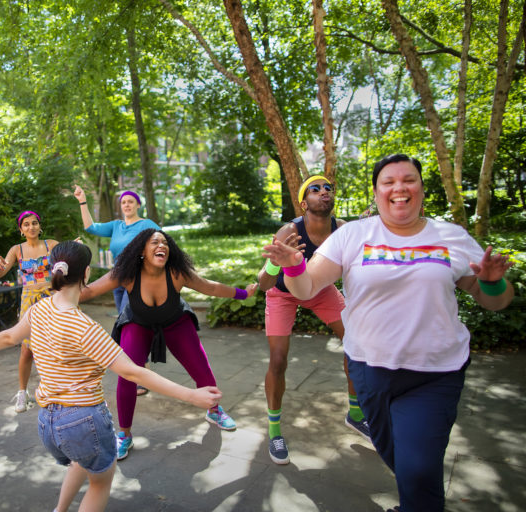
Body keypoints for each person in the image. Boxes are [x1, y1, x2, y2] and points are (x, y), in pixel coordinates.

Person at [263, 154, 514, 512]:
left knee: (418, 466)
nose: (399, 188)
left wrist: (492, 284)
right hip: (370, 368)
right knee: (401, 458)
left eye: (408, 179)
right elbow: (305, 287)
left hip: (435, 373)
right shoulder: (353, 235)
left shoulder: (451, 237)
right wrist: (291, 266)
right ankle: (415, 492)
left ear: (422, 189)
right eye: (389, 182)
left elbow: (497, 300)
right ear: (378, 192)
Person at [0, 241, 221, 512]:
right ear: (86, 275)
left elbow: (10, 337)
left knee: (83, 462)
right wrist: (191, 394)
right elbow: (132, 371)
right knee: (100, 483)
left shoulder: (38, 309)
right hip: (83, 421)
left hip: (48, 423)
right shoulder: (85, 329)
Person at [80, 228, 258, 460]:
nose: (161, 246)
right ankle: (124, 434)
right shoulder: (126, 273)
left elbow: (210, 287)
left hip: (176, 321)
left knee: (201, 369)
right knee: (127, 376)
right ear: (141, 250)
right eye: (154, 242)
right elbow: (90, 290)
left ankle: (214, 411)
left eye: (165, 243)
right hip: (138, 323)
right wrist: (59, 291)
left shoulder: (176, 273)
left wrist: (243, 294)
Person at [257, 175, 369, 465]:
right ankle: (274, 430)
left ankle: (356, 414)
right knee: (278, 360)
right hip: (283, 294)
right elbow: (264, 283)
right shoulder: (288, 231)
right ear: (304, 203)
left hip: (320, 290)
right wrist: (275, 262)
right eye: (316, 189)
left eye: (328, 188)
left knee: (358, 343)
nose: (324, 192)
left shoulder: (343, 230)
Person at [74, 185, 160, 396]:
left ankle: (139, 375)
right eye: (123, 202)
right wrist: (82, 201)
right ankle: (142, 372)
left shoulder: (147, 225)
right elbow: (90, 227)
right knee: (129, 326)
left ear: (138, 204)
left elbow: (162, 244)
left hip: (139, 281)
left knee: (127, 325)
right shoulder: (116, 226)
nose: (127, 205)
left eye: (130, 201)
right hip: (118, 281)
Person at [0, 210, 58, 413]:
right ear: (21, 230)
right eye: (26, 224)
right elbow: (0, 272)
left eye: (34, 223)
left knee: (56, 346)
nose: (31, 227)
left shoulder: (52, 245)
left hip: (52, 299)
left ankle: (56, 389)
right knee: (26, 349)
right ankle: (23, 392)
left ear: (40, 226)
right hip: (29, 302)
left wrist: (76, 248)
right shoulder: (17, 250)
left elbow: (71, 259)